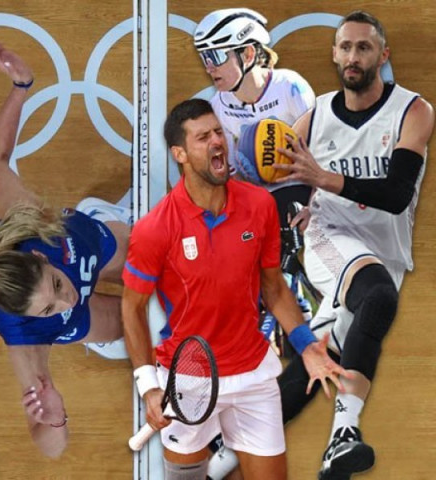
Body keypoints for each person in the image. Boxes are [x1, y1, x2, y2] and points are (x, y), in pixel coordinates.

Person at [121, 98, 348, 480]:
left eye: (218, 132)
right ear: (179, 153)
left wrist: (307, 345)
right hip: (187, 379)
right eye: (202, 137)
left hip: (253, 375)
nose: (216, 142)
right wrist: (147, 387)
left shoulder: (259, 205)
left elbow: (273, 288)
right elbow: (131, 308)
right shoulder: (155, 228)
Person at [271, 11, 434, 479]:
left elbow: (397, 193)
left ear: (383, 56)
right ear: (334, 54)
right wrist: (292, 210)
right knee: (379, 296)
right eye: (345, 47)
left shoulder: (413, 110)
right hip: (328, 238)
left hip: (385, 251)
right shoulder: (314, 116)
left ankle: (221, 452)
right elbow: (279, 185)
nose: (352, 56)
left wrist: (324, 178)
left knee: (319, 358)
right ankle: (344, 433)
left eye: (364, 47)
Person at [0, 33, 132, 458]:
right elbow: (51, 448)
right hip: (87, 318)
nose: (63, 301)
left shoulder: (27, 225)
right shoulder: (23, 335)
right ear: (28, 318)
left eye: (57, 287)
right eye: (47, 309)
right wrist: (55, 416)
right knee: (129, 324)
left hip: (94, 241)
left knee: (139, 251)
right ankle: (107, 333)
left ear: (40, 258)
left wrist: (21, 87)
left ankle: (111, 217)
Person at [191, 9, 319, 478]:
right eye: (203, 56)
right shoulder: (216, 103)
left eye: (216, 55)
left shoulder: (289, 88)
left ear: (248, 53)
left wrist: (316, 202)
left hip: (290, 193)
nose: (209, 65)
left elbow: (318, 151)